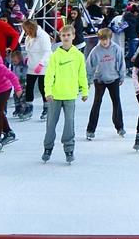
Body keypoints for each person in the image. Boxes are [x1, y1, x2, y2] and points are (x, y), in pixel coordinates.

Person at [42, 26, 88, 164]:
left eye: (68, 35)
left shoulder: (78, 56)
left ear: (73, 36)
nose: (66, 37)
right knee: (51, 124)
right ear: (60, 37)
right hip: (55, 95)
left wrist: (85, 90)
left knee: (69, 123)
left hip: (70, 95)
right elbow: (49, 75)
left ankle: (69, 149)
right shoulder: (55, 56)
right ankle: (48, 147)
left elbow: (82, 75)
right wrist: (48, 91)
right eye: (63, 35)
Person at [82, 26, 127, 138]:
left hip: (113, 79)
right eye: (102, 39)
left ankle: (120, 127)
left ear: (110, 38)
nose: (104, 42)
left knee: (116, 103)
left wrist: (121, 76)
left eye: (106, 39)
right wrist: (88, 81)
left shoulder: (116, 49)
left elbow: (121, 63)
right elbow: (89, 66)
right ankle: (90, 130)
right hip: (100, 80)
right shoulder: (95, 51)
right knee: (96, 103)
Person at [20, 19, 53, 119]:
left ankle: (47, 107)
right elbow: (29, 49)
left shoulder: (43, 36)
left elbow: (47, 52)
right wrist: (27, 58)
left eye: (27, 30)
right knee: (29, 86)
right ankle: (29, 107)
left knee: (42, 87)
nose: (26, 32)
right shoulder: (29, 37)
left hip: (43, 66)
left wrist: (41, 64)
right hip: (32, 65)